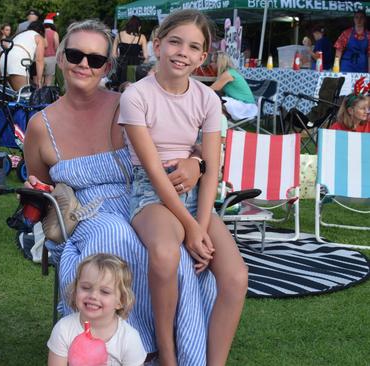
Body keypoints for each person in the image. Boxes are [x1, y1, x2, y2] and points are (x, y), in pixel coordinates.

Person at [23, 19, 217, 365]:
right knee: (112, 235)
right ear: (62, 59)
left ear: (107, 67)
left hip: (146, 201)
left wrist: (197, 162)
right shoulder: (41, 126)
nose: (85, 64)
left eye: (96, 60)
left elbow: (186, 143)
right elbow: (42, 186)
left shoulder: (129, 101)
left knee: (180, 258)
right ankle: (111, 352)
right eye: (76, 54)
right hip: (87, 214)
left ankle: (172, 349)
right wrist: (35, 190)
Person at [118, 10, 248, 366]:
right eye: (174, 42)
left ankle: (214, 362)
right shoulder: (136, 96)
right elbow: (153, 171)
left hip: (196, 194)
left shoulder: (207, 100)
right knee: (164, 253)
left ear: (203, 57)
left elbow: (211, 168)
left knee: (236, 276)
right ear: (157, 45)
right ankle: (168, 355)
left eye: (193, 47)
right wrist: (190, 228)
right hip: (153, 193)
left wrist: (202, 225)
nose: (182, 52)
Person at [47, 253, 146, 366]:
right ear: (75, 290)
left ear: (120, 301)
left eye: (104, 292)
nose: (93, 296)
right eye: (86, 288)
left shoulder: (129, 339)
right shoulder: (63, 330)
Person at [210, 51, 258, 121]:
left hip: (246, 107)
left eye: (212, 62)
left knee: (215, 100)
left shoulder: (228, 74)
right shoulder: (230, 72)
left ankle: (221, 124)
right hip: (241, 104)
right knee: (215, 100)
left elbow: (210, 90)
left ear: (219, 63)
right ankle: (222, 124)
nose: (210, 64)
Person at [0, 21, 46, 90]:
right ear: (41, 32)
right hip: (18, 61)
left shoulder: (21, 34)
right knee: (24, 97)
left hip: (4, 59)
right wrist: (39, 81)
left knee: (13, 95)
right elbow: (39, 60)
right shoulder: (38, 37)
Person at [112, 16, 148, 84]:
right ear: (138, 26)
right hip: (134, 66)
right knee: (133, 86)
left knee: (119, 86)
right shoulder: (141, 37)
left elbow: (114, 54)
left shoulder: (119, 35)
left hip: (121, 65)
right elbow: (146, 56)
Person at [43, 18, 60, 86]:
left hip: (40, 58)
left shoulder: (40, 33)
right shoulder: (54, 33)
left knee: (39, 80)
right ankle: (46, 95)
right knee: (48, 80)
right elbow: (56, 46)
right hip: (51, 58)